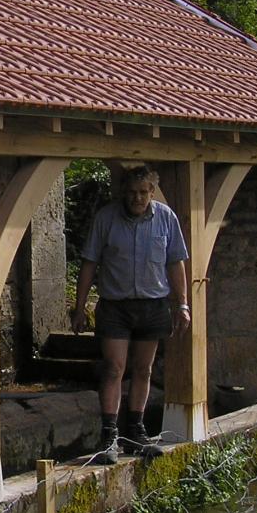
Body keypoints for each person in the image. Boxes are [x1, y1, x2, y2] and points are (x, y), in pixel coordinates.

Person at [71, 165, 191, 463]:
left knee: (144, 369)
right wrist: (80, 305)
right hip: (116, 305)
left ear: (152, 192)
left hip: (153, 304)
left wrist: (183, 304)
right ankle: (109, 434)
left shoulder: (166, 218)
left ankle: (135, 431)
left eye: (143, 193)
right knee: (114, 368)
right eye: (132, 193)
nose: (137, 198)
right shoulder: (107, 219)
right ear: (124, 193)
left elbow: (176, 262)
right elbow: (89, 262)